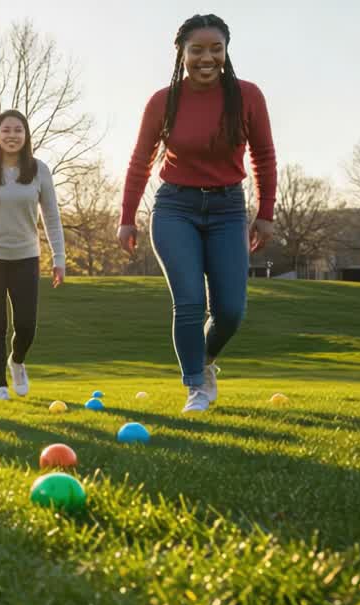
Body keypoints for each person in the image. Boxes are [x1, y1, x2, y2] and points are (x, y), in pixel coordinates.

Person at [117, 13, 276, 413]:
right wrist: (126, 216)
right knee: (188, 302)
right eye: (197, 50)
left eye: (216, 49)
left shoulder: (248, 96)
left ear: (226, 51)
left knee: (230, 310)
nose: (207, 58)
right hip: (175, 208)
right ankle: (195, 387)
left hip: (227, 208)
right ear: (181, 54)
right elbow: (140, 161)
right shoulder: (163, 101)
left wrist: (266, 211)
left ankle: (205, 358)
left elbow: (264, 156)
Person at [0, 110, 65, 401]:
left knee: (26, 325)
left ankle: (16, 361)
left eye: (18, 130)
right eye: (6, 130)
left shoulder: (39, 170)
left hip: (26, 256)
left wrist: (59, 258)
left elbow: (52, 217)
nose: (12, 135)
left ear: (26, 135)